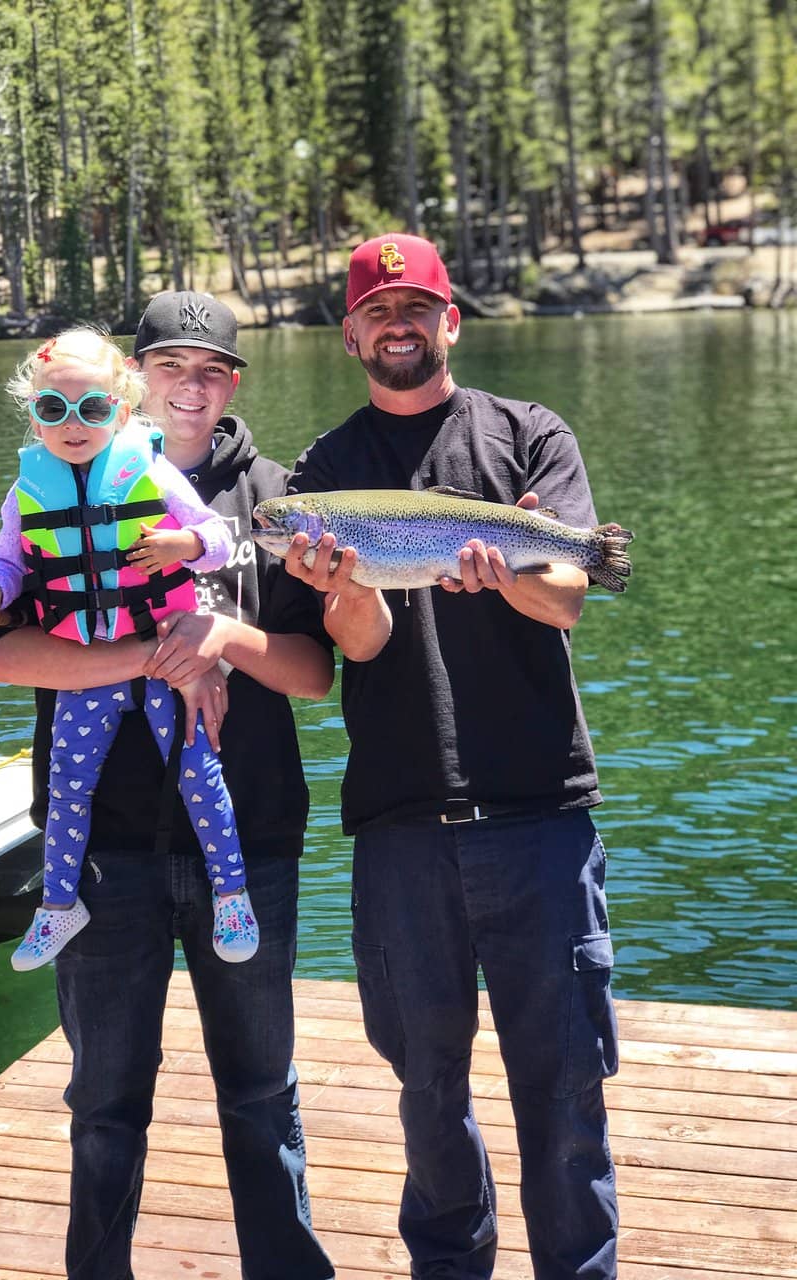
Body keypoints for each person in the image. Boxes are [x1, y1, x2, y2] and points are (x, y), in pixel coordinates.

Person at [0, 293, 336, 1280]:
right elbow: (9, 658)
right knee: (103, 1098)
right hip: (104, 853)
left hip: (247, 839)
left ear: (233, 383)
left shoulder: (275, 497)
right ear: (136, 382)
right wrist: (148, 653)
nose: (190, 386)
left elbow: (313, 671)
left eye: (210, 369)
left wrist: (224, 636)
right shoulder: (66, 472)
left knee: (262, 1090)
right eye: (170, 367)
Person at [282, 234, 620, 1279]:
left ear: (449, 321)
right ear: (350, 335)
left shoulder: (529, 434)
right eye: (378, 310)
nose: (398, 324)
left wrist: (508, 567)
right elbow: (362, 642)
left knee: (564, 1085)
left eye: (415, 306)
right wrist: (340, 583)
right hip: (401, 824)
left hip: (540, 813)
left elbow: (567, 595)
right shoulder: (325, 476)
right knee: (427, 1089)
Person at [0, 327, 258, 970]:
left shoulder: (151, 473)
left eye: (92, 409)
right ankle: (59, 904)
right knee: (71, 785)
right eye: (53, 409)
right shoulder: (25, 493)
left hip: (163, 658)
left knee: (196, 773)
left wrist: (181, 546)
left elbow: (214, 538)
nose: (73, 424)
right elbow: (8, 562)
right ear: (34, 413)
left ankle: (232, 894)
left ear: (121, 412)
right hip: (84, 670)